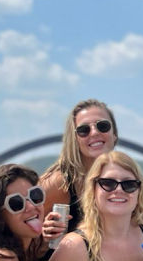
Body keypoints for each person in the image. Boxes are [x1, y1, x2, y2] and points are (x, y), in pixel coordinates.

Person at [41, 99, 118, 245]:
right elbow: (19, 235)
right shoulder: (60, 183)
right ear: (74, 139)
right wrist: (42, 235)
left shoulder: (122, 181)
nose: (94, 133)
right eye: (84, 130)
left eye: (103, 126)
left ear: (114, 134)